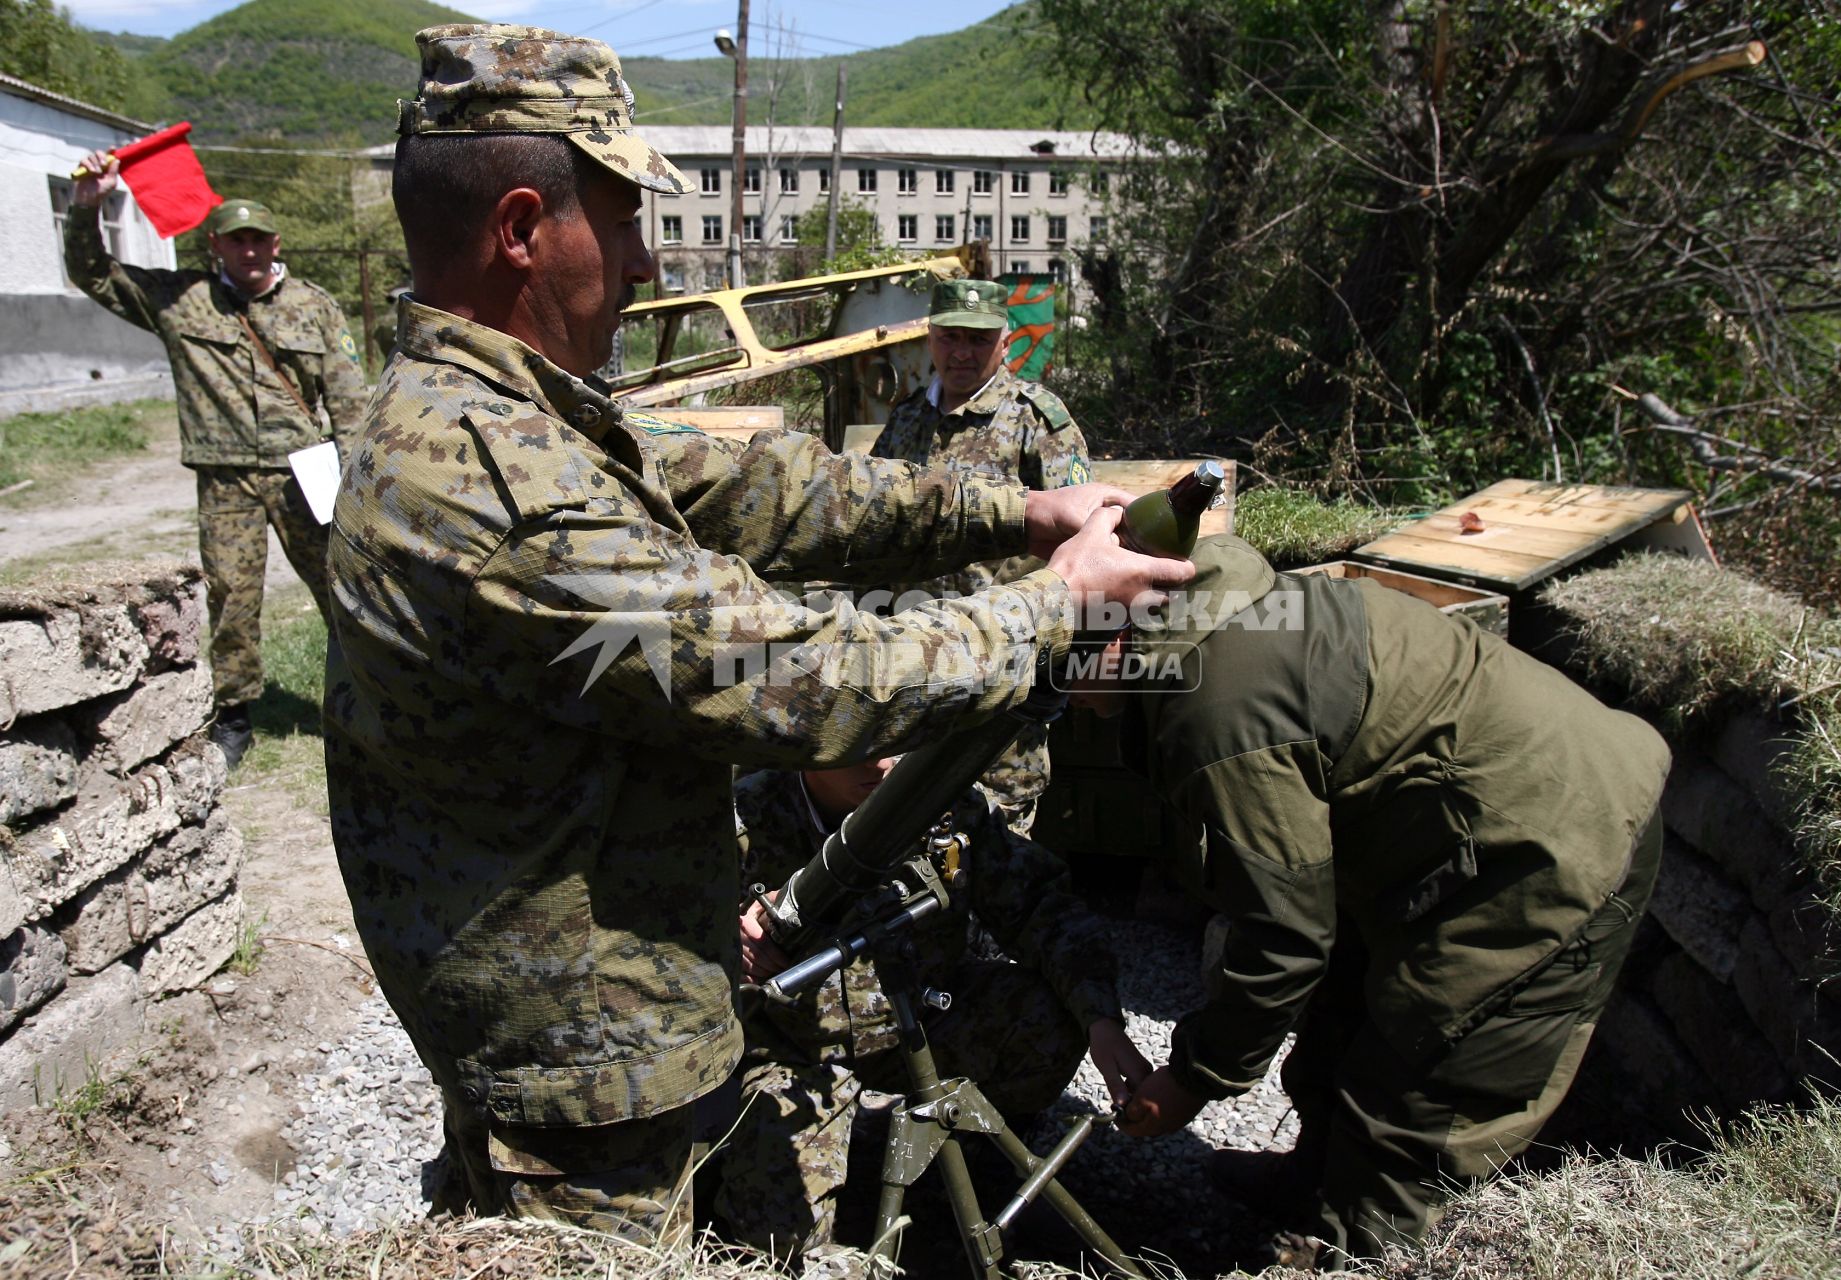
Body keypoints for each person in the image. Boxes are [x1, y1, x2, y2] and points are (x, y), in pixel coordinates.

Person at [323, 22, 1188, 1249]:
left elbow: (770, 491)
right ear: (522, 230)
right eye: (621, 219)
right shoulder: (492, 489)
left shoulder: (508, 419)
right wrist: (1058, 596)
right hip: (586, 1096)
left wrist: (1023, 507)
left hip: (635, 1042)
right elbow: (807, 676)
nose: (640, 259)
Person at [1065, 535, 1670, 1269]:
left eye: (1056, 666)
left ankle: (1366, 1254)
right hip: (1448, 839)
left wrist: (1193, 1077)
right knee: (1342, 1018)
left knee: (1421, 1097)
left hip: (1550, 846)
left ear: (1114, 634)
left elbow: (1283, 938)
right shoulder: (1217, 619)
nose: (1062, 699)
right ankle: (1309, 1192)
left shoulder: (1214, 711)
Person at [711, 758, 1138, 1258]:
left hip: (923, 1025)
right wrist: (723, 938)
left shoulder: (945, 805)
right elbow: (645, 936)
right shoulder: (739, 817)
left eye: (899, 734)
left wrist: (1102, 1021)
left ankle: (964, 1164)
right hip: (795, 1053)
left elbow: (1043, 907)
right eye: (862, 741)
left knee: (1048, 1020)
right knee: (778, 1244)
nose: (883, 759)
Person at [64, 173, 367, 769]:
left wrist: (357, 474)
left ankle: (360, 696)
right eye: (236, 240)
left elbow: (348, 396)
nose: (248, 250)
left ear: (275, 243)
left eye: (258, 239)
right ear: (216, 246)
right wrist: (85, 210)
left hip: (302, 472)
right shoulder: (181, 300)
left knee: (342, 586)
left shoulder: (313, 306)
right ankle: (234, 714)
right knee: (231, 596)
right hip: (225, 476)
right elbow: (94, 274)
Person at [870, 280, 1092, 835]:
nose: (962, 353)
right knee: (908, 812)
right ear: (930, 339)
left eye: (977, 339)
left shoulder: (1035, 421)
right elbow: (872, 519)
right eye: (950, 337)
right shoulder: (906, 423)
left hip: (1005, 656)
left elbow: (1083, 535)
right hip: (914, 657)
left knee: (998, 819)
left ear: (1006, 343)